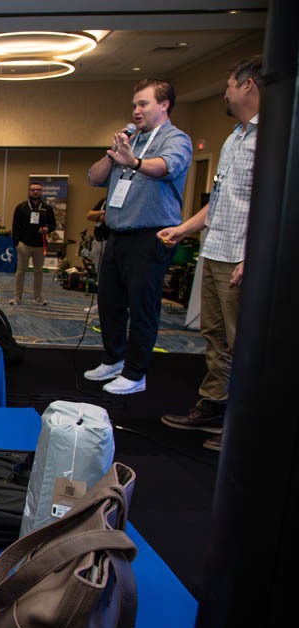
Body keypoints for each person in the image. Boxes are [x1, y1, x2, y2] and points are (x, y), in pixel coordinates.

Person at [158, 56, 260, 450]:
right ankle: (214, 406)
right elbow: (219, 203)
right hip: (215, 250)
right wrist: (183, 229)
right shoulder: (234, 138)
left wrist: (254, 255)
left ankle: (243, 426)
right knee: (214, 335)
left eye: (230, 85)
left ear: (248, 85)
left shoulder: (271, 139)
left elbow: (271, 205)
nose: (226, 93)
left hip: (241, 257)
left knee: (241, 342)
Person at [86, 78, 193, 395]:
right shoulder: (130, 140)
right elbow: (94, 177)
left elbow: (165, 167)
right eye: (134, 105)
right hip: (117, 234)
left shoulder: (176, 139)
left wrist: (133, 161)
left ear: (164, 105)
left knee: (142, 306)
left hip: (150, 235)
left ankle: (135, 373)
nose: (136, 110)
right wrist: (114, 154)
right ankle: (114, 359)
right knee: (109, 303)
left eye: (143, 104)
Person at [10, 181, 57, 305]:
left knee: (38, 272)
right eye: (33, 190)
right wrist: (17, 243)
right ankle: (17, 297)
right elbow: (15, 226)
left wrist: (47, 229)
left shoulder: (47, 208)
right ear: (29, 191)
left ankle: (38, 297)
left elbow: (53, 225)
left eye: (38, 190)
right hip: (24, 244)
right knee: (20, 271)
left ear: (41, 192)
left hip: (40, 246)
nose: (35, 192)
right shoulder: (21, 207)